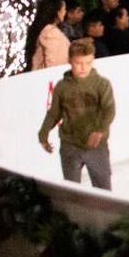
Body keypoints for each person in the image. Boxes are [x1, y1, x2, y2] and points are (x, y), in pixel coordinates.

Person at [37, 39, 114, 190]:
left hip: (96, 146)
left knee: (103, 189)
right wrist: (43, 133)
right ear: (70, 61)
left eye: (88, 63)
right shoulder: (62, 87)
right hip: (70, 145)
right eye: (79, 63)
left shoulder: (102, 84)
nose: (83, 68)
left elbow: (109, 109)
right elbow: (54, 112)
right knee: (72, 190)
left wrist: (99, 130)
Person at [27, 0, 70, 70]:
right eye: (64, 9)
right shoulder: (51, 33)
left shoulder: (45, 30)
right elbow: (55, 63)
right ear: (58, 12)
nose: (65, 12)